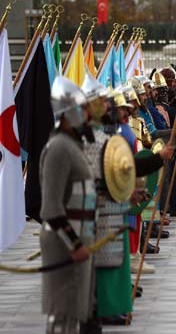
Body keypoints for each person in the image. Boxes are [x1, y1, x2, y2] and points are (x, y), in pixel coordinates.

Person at [39, 76, 96, 334]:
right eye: (83, 108)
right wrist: (73, 244)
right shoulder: (59, 148)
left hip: (78, 238)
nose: (88, 114)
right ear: (69, 112)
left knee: (75, 311)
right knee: (62, 313)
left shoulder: (72, 145)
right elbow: (51, 208)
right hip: (64, 242)